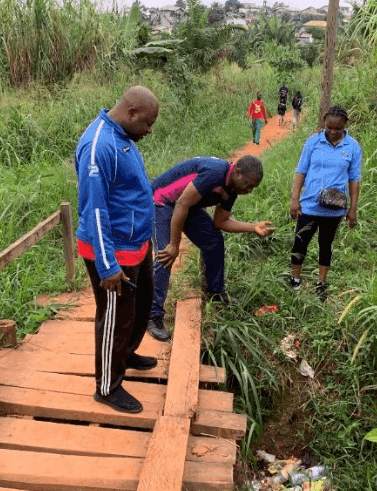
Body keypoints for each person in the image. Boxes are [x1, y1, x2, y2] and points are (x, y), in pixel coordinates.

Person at [74, 85, 159, 414]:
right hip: (111, 251)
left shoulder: (123, 136)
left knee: (139, 307)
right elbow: (94, 208)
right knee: (115, 317)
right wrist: (107, 265)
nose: (149, 131)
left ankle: (126, 353)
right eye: (148, 124)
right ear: (132, 113)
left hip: (135, 242)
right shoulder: (99, 145)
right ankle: (107, 386)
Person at [147, 155, 274, 341]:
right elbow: (181, 203)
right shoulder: (215, 172)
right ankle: (153, 314)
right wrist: (174, 244)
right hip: (161, 201)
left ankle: (215, 291)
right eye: (248, 184)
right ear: (237, 173)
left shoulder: (232, 189)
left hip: (187, 206)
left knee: (214, 241)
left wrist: (252, 227)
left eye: (253, 187)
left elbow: (221, 222)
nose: (249, 190)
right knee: (166, 255)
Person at [289, 105, 362, 301]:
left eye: (337, 128)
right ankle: (295, 279)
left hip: (334, 208)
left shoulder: (353, 147)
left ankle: (321, 283)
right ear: (324, 124)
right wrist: (295, 199)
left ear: (345, 126)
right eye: (329, 127)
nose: (332, 132)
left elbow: (354, 179)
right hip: (310, 205)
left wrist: (353, 209)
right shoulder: (313, 142)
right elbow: (301, 170)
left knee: (326, 245)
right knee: (300, 242)